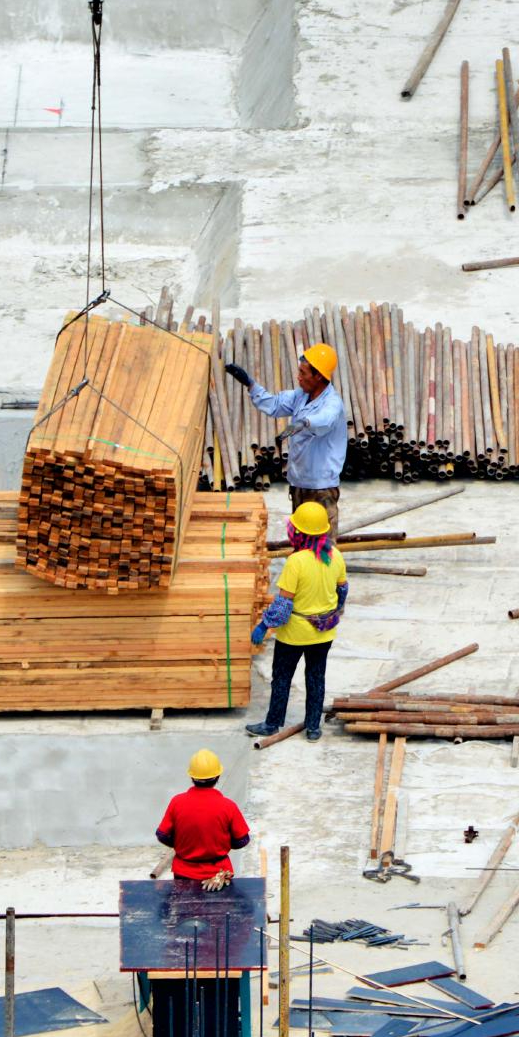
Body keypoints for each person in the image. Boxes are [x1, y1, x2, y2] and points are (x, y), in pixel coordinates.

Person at [244, 500, 348, 741]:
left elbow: (283, 605)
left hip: (294, 634)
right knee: (316, 677)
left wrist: (263, 625)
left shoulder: (296, 562)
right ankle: (313, 727)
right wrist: (333, 613)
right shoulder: (336, 556)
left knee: (281, 677)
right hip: (324, 632)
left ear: (299, 533)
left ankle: (272, 723)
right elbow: (342, 590)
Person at [224, 343, 346, 523]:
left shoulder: (332, 403)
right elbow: (274, 405)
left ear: (318, 376)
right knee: (301, 537)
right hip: (298, 482)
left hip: (321, 488)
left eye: (303, 373)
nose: (299, 377)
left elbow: (325, 420)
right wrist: (250, 384)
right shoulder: (300, 396)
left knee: (322, 543)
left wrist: (305, 422)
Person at [155, 749, 252, 891]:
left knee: (185, 912)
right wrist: (219, 844)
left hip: (184, 872)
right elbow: (242, 840)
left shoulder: (177, 802)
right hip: (219, 874)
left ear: (192, 777)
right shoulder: (228, 806)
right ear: (218, 776)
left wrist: (181, 844)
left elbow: (162, 835)